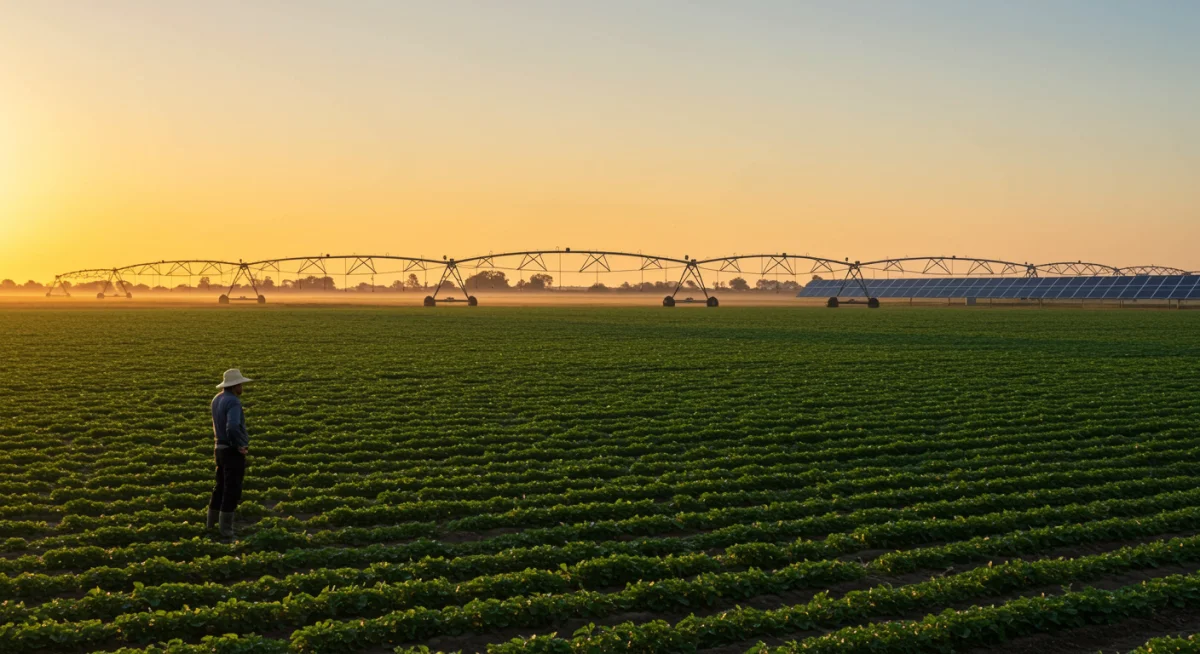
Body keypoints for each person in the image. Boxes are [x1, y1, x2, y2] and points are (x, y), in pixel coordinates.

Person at [208, 369, 252, 537]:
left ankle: (211, 525)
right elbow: (232, 426)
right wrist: (239, 445)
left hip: (218, 448)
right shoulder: (233, 401)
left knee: (220, 487)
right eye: (241, 384)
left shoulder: (217, 399)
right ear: (235, 385)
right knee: (232, 489)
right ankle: (226, 530)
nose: (242, 387)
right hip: (231, 450)